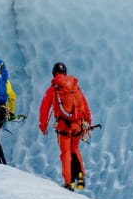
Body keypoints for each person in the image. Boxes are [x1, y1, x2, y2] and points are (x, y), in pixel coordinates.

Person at [39, 61, 93, 190]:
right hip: (78, 125)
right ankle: (80, 176)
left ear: (54, 74)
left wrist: (43, 125)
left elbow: (45, 108)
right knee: (75, 149)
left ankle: (69, 182)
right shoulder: (75, 86)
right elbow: (84, 104)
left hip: (63, 127)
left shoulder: (54, 88)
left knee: (65, 153)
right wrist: (88, 121)